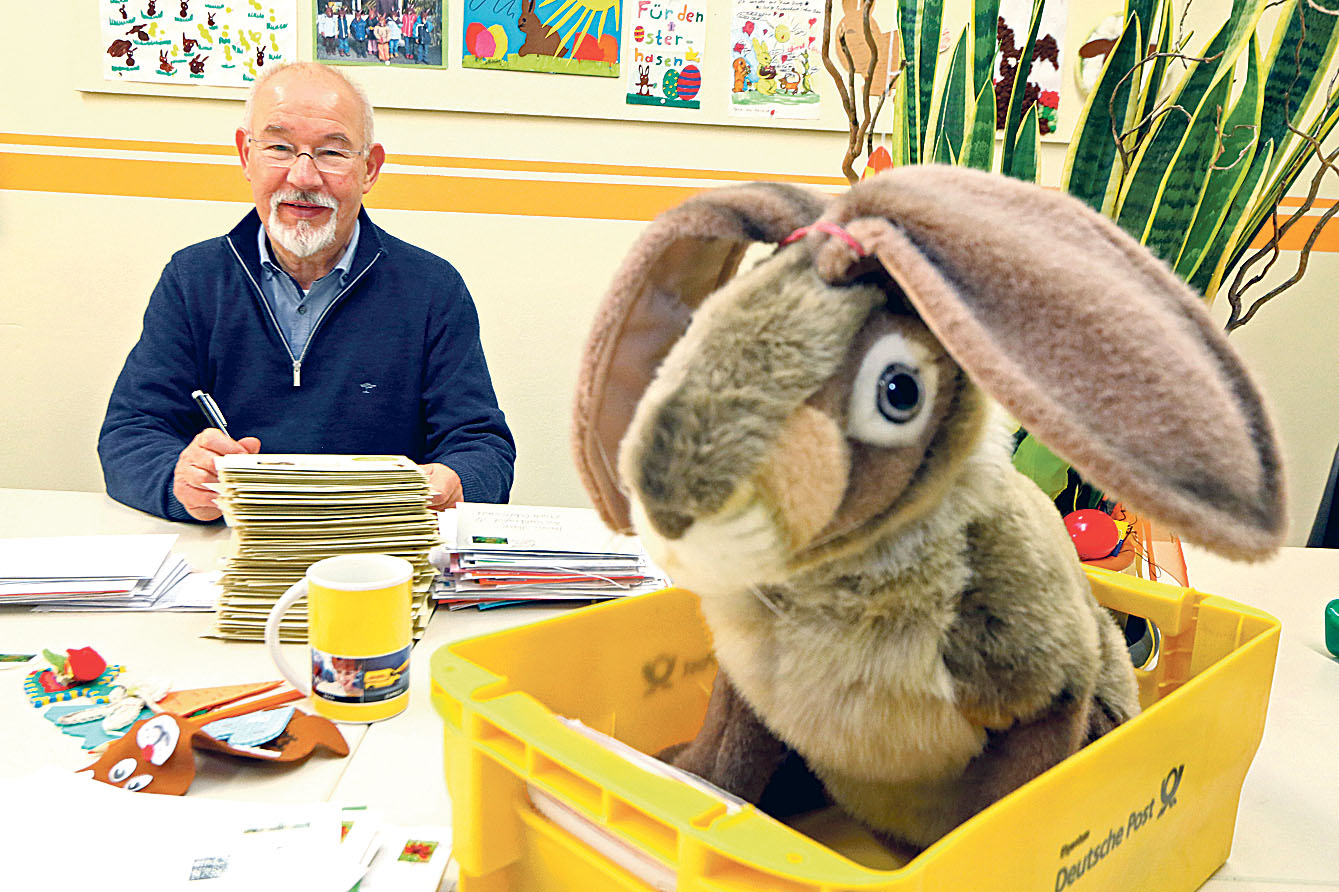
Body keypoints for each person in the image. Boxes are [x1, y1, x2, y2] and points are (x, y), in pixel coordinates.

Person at [98, 62, 516, 523]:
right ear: (245, 155)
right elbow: (130, 434)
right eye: (279, 147)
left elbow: (484, 447)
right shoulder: (193, 279)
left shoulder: (432, 288)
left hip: (378, 549)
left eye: (331, 153)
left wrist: (457, 481)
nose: (303, 177)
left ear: (370, 168)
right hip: (231, 550)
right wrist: (179, 482)